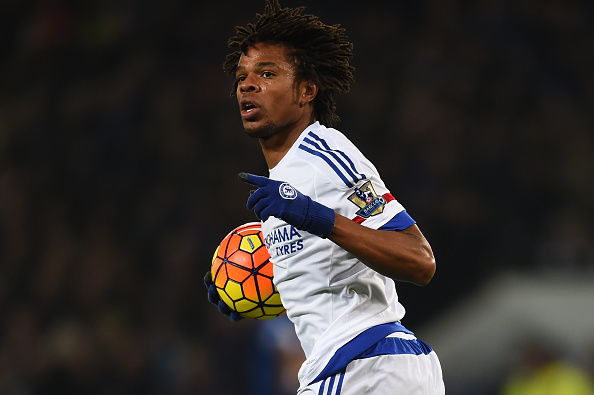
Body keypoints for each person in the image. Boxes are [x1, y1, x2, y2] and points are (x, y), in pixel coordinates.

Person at [205, 1, 445, 393]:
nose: (247, 84)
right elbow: (330, 270)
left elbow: (420, 260)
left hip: (365, 366)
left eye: (267, 74)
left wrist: (317, 217)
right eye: (242, 76)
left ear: (306, 90)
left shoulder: (323, 154)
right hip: (365, 367)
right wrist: (247, 285)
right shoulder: (284, 181)